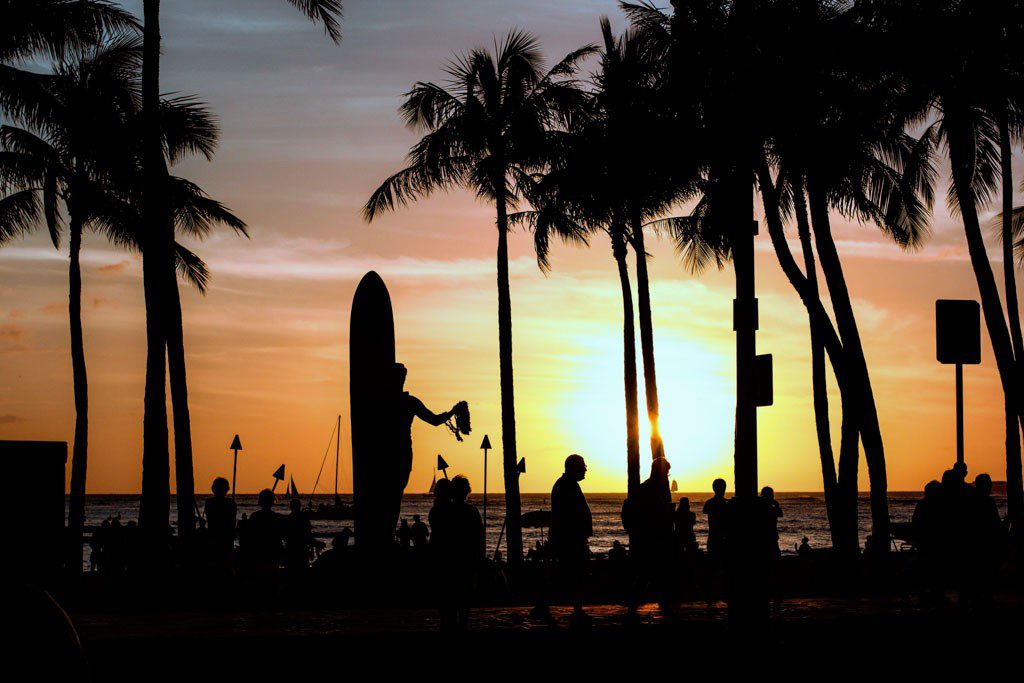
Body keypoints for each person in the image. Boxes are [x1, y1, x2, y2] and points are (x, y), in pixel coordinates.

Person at [626, 457, 676, 619]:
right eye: (666, 473)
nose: (667, 475)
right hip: (653, 538)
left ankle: (639, 605)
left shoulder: (647, 487)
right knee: (651, 573)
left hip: (651, 537)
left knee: (651, 574)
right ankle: (637, 605)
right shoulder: (653, 488)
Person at [548, 454, 593, 623]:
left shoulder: (567, 485)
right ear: (573, 467)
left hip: (572, 539)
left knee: (569, 575)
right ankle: (574, 609)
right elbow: (567, 516)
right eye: (582, 466)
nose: (585, 469)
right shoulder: (566, 486)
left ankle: (575, 608)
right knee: (571, 574)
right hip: (570, 541)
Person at [443, 475, 483, 632]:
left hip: (451, 560)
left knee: (451, 598)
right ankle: (462, 625)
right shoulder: (472, 512)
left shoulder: (446, 511)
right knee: (464, 597)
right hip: (466, 559)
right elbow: (479, 537)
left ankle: (451, 626)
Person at [243, 489, 284, 575]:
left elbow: (249, 536)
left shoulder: (254, 516)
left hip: (258, 553)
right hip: (273, 553)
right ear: (272, 501)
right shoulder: (276, 517)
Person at [203, 477, 237, 574]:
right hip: (226, 537)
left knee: (214, 565)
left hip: (213, 536)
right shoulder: (231, 503)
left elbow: (209, 518)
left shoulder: (209, 502)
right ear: (226, 489)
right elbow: (232, 522)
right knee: (226, 565)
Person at [702, 478, 730, 562]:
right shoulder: (727, 503)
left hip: (713, 535)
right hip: (723, 535)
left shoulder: (709, 503)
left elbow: (705, 511)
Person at [284, 498, 313, 574]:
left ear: (291, 507)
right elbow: (308, 534)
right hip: (302, 549)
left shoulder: (287, 519)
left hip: (291, 550)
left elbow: (284, 536)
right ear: (299, 506)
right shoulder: (304, 519)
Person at [760, 486, 783, 556]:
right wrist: (776, 505)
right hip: (770, 536)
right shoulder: (767, 507)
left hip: (770, 536)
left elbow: (780, 514)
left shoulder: (767, 506)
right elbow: (780, 514)